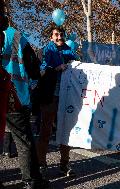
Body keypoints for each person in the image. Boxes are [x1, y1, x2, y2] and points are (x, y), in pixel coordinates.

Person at [0, 13, 49, 189]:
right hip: (14, 95)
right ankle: (32, 181)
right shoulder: (16, 36)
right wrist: (42, 73)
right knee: (23, 139)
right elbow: (33, 68)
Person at [37, 25, 77, 177]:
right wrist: (56, 68)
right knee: (46, 130)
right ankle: (41, 164)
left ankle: (64, 164)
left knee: (66, 131)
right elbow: (40, 70)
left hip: (67, 97)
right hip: (50, 96)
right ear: (51, 37)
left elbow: (79, 70)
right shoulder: (45, 51)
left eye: (61, 34)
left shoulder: (70, 51)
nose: (59, 37)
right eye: (56, 35)